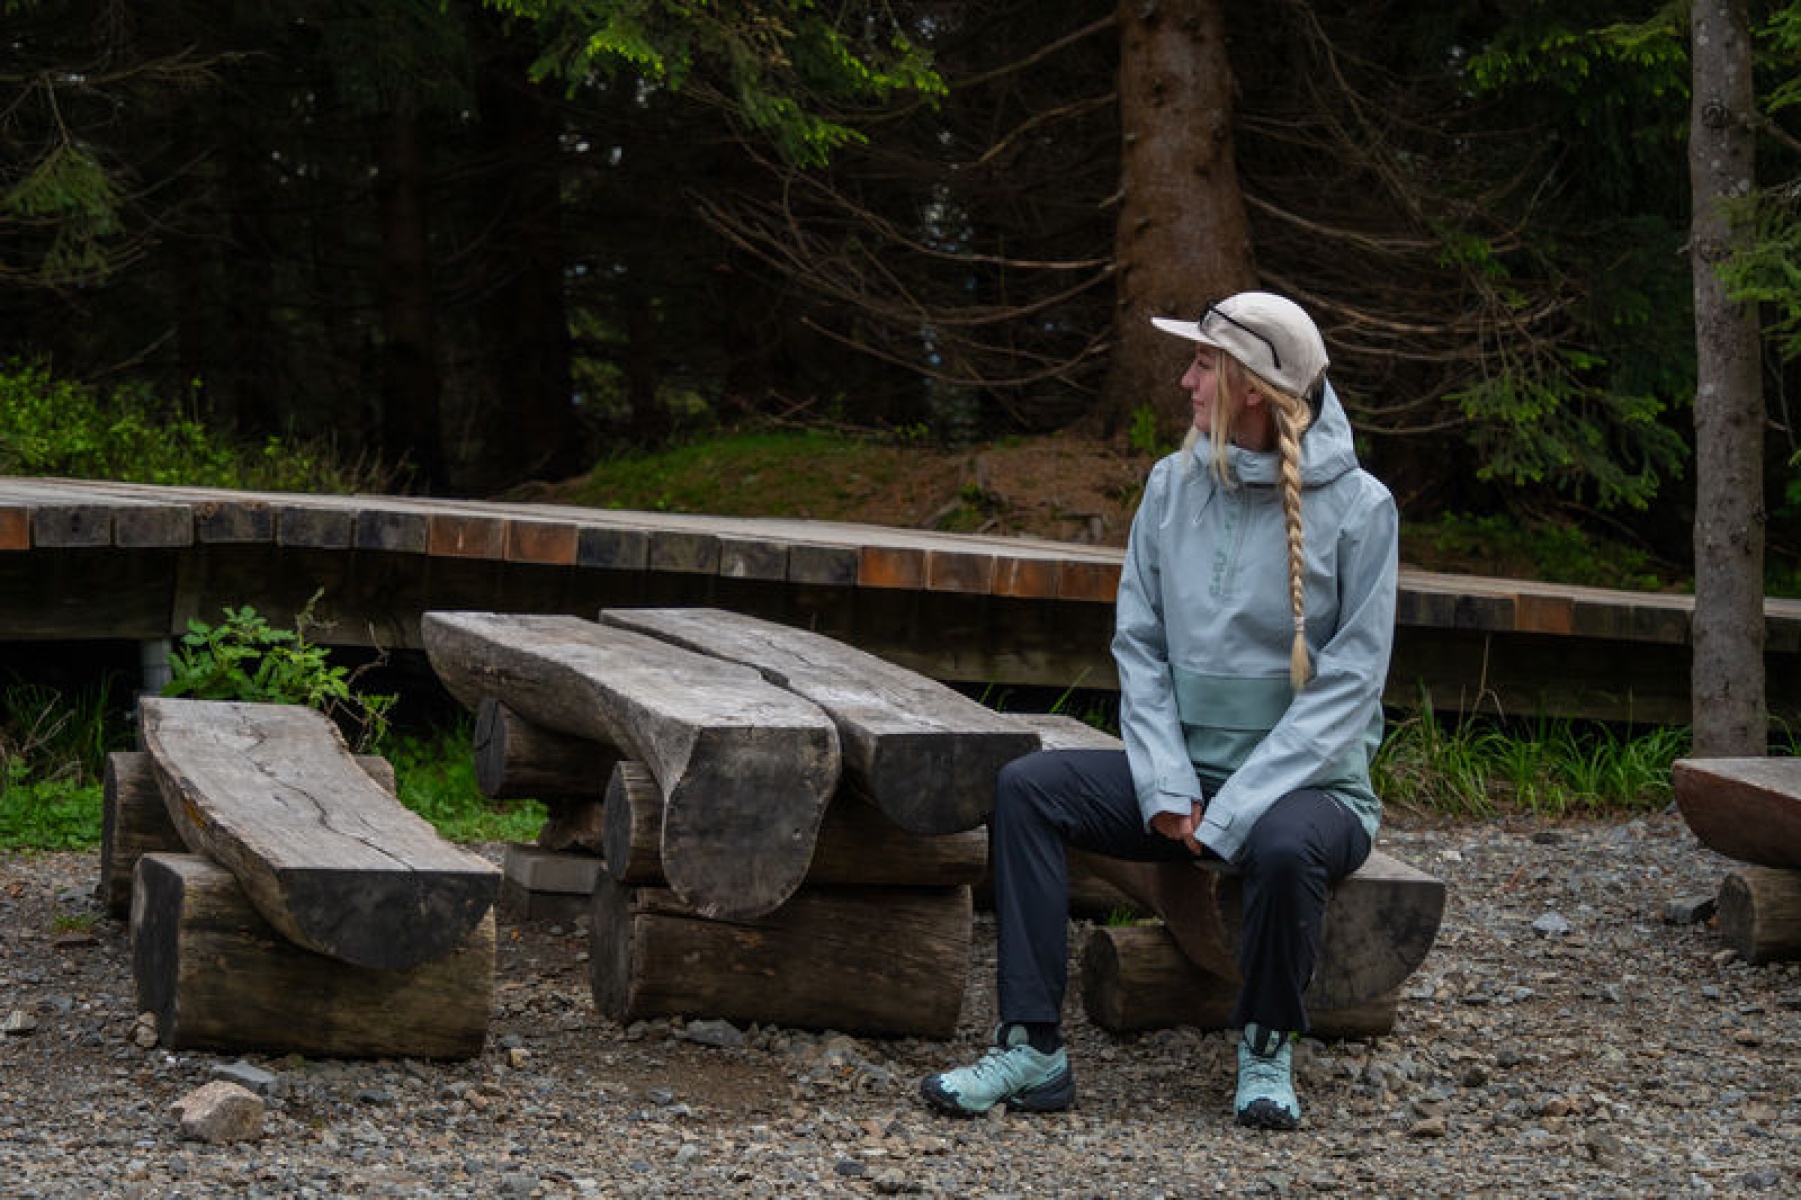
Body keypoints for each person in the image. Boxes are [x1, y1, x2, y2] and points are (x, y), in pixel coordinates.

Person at [920, 291, 1399, 1130]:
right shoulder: (1171, 486)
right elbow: (1138, 647)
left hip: (1310, 791)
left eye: (1203, 364)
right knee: (1027, 789)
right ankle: (1032, 1049)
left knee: (1283, 846)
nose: (1186, 381)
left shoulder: (1362, 509)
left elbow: (1349, 686)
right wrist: (1168, 786)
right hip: (1186, 785)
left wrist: (1234, 810)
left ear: (1252, 389)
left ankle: (1265, 1048)